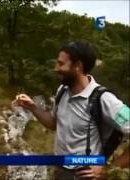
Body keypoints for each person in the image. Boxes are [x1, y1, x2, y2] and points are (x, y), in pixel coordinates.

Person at [14, 41, 129, 179]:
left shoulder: (104, 99)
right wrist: (32, 107)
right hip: (60, 171)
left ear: (78, 66)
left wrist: (108, 170)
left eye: (61, 63)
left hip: (84, 175)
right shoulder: (62, 91)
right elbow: (54, 123)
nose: (56, 68)